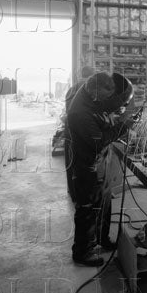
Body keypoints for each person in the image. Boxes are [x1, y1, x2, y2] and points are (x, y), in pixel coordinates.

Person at [66, 72, 119, 267]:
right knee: (87, 208)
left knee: (104, 200)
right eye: (105, 96)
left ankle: (102, 239)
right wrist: (122, 127)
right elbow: (99, 142)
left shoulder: (90, 92)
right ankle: (82, 252)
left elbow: (101, 111)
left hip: (98, 162)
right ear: (96, 90)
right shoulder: (80, 112)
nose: (106, 100)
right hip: (86, 165)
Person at [65, 66, 95, 202]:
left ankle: (74, 192)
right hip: (85, 131)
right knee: (87, 164)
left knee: (72, 162)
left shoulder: (72, 89)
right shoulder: (91, 88)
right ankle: (86, 196)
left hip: (70, 130)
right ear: (92, 76)